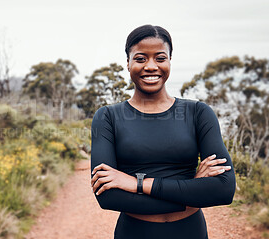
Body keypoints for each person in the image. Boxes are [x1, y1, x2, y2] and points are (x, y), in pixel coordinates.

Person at [90, 24, 236, 239]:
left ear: (169, 61)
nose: (151, 66)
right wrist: (193, 190)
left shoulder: (198, 113)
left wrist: (136, 183)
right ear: (128, 63)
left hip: (190, 232)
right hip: (135, 233)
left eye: (160, 58)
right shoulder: (108, 117)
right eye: (140, 58)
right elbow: (108, 197)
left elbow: (223, 190)